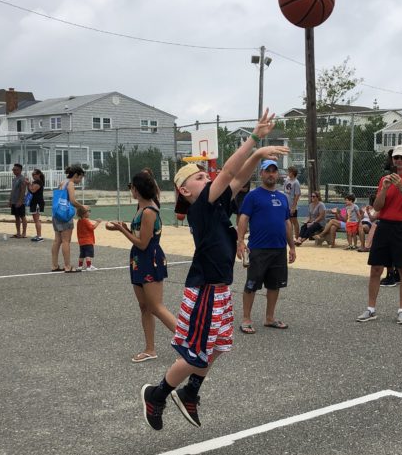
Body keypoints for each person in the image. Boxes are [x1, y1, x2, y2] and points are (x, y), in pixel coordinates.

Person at [140, 110, 284, 432]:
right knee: (195, 355)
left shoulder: (217, 204)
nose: (207, 178)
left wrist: (256, 155)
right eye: (200, 177)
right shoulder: (201, 208)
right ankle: (158, 394)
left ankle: (190, 391)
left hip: (219, 288)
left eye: (206, 176)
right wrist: (255, 142)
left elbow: (238, 177)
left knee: (218, 346)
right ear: (186, 191)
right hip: (205, 287)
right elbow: (230, 170)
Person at [107, 171, 176, 363]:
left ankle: (189, 340)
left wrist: (122, 231)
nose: (131, 190)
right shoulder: (142, 207)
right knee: (144, 307)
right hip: (139, 259)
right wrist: (125, 228)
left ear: (136, 189)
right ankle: (150, 349)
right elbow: (139, 236)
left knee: (156, 306)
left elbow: (143, 243)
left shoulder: (148, 211)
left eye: (132, 187)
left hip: (149, 258)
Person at [356, 144, 402, 325]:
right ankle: (371, 309)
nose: (399, 161)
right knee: (376, 269)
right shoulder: (384, 179)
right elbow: (377, 207)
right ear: (393, 160)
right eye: (396, 158)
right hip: (384, 226)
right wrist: (385, 188)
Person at [236, 157, 297, 333]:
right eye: (267, 171)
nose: (271, 174)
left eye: (274, 171)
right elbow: (243, 218)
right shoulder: (252, 196)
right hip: (259, 248)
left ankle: (270, 318)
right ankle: (246, 319)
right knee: (251, 284)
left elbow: (287, 223)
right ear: (261, 173)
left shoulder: (282, 197)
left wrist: (291, 246)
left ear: (278, 174)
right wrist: (240, 241)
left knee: (275, 285)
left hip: (279, 249)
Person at [50, 164, 84, 273]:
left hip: (56, 213)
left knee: (57, 240)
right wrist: (82, 207)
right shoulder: (70, 184)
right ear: (76, 175)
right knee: (66, 241)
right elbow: (73, 201)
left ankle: (54, 265)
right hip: (65, 215)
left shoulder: (62, 182)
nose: (81, 180)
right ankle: (68, 266)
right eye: (80, 177)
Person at [75, 204, 100, 270]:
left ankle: (80, 266)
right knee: (88, 254)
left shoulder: (79, 221)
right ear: (84, 213)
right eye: (88, 211)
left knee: (82, 254)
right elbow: (92, 227)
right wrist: (98, 222)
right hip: (88, 240)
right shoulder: (86, 221)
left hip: (81, 241)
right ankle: (89, 266)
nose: (89, 213)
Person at [9, 162, 28, 238]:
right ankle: (18, 232)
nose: (14, 171)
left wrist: (20, 201)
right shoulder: (14, 179)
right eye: (13, 170)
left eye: (15, 170)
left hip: (20, 201)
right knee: (16, 216)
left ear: (20, 170)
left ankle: (24, 233)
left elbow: (23, 190)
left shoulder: (22, 179)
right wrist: (10, 200)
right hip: (14, 200)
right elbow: (13, 190)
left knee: (22, 216)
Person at [28, 168, 46, 242]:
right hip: (34, 202)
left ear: (38, 175)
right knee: (36, 220)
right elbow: (30, 190)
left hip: (37, 202)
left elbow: (32, 190)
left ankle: (39, 236)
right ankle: (38, 235)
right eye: (32, 174)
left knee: (37, 219)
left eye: (34, 174)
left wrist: (29, 184)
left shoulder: (38, 182)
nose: (33, 176)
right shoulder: (36, 182)